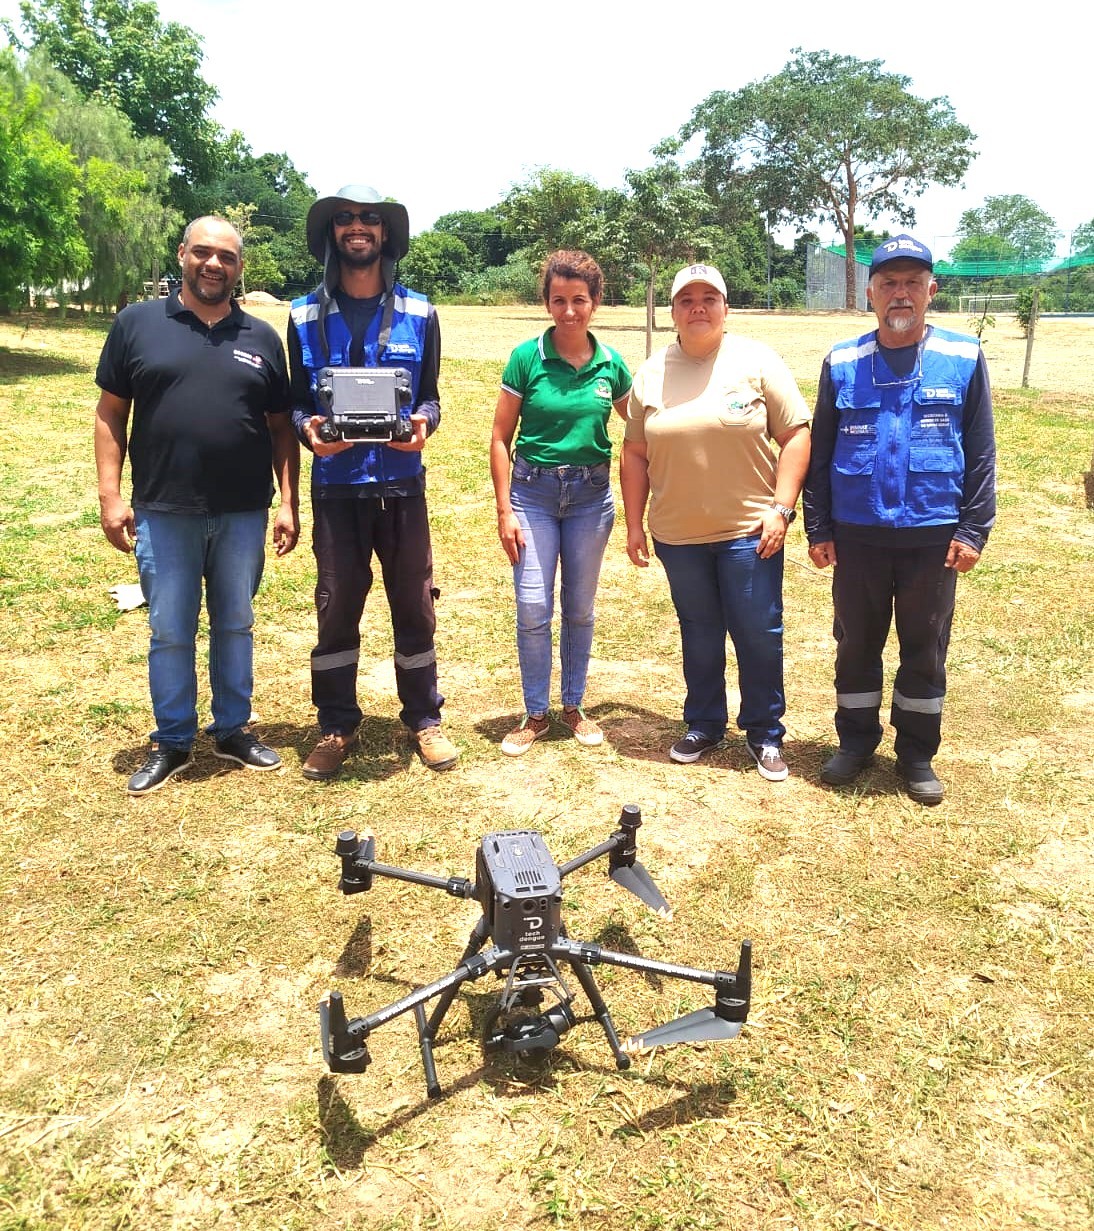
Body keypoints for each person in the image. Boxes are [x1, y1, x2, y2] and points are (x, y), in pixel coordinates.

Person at [94, 216, 300, 796]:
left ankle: (232, 729)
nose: (214, 265)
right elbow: (111, 414)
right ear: (183, 254)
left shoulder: (260, 337)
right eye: (203, 253)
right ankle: (174, 739)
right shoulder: (137, 323)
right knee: (170, 628)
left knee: (236, 622)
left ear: (240, 268)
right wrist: (111, 497)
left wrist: (288, 502)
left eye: (227, 258)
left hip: (242, 512)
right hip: (164, 508)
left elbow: (281, 427)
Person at [803, 234, 996, 805]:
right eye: (889, 283)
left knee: (925, 646)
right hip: (858, 534)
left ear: (931, 291)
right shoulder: (842, 361)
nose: (901, 294)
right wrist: (819, 527)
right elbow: (821, 449)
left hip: (932, 535)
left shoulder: (962, 357)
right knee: (856, 642)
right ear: (870, 293)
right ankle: (856, 743)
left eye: (913, 282)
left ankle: (915, 753)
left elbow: (981, 449)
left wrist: (972, 529)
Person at [288, 184, 457, 779]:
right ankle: (335, 723)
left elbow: (432, 397)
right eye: (344, 220)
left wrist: (423, 426)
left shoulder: (420, 311)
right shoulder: (301, 314)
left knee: (415, 605)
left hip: (401, 486)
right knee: (336, 608)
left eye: (369, 220)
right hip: (336, 489)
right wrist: (310, 429)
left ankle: (424, 719)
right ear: (331, 234)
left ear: (386, 235)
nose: (357, 228)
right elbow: (295, 404)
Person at [621, 263, 810, 781]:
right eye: (687, 300)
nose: (698, 308)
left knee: (757, 633)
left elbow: (796, 434)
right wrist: (635, 524)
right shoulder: (652, 372)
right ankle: (704, 723)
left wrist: (781, 508)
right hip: (678, 536)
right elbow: (634, 452)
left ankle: (765, 734)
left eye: (709, 298)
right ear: (673, 312)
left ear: (726, 308)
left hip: (751, 533)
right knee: (699, 633)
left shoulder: (757, 361)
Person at [490, 251, 631, 755]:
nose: (569, 310)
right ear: (546, 302)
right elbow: (501, 436)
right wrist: (505, 510)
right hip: (532, 494)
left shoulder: (611, 363)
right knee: (532, 604)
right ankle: (534, 712)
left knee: (579, 607)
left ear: (595, 302)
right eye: (558, 300)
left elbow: (639, 427)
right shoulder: (526, 357)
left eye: (579, 300)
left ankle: (572, 705)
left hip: (591, 498)